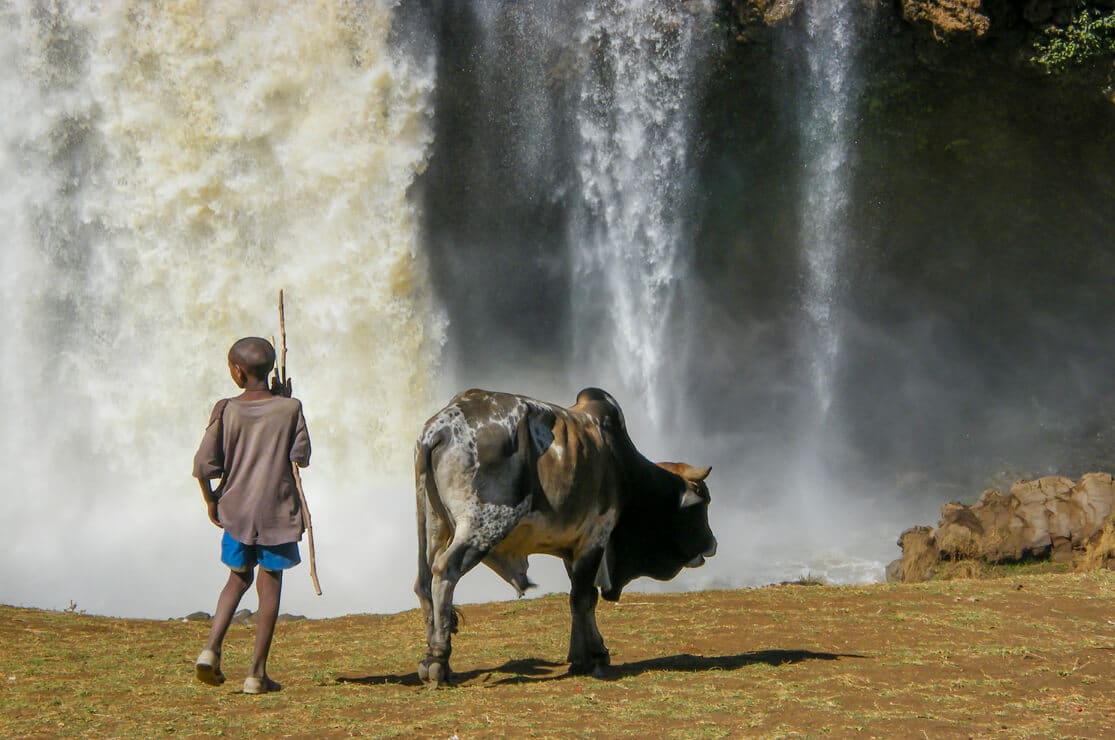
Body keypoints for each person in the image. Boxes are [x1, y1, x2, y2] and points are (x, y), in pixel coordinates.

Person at [192, 336, 311, 694]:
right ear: (271, 370)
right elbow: (301, 457)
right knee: (270, 580)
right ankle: (257, 674)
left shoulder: (225, 409)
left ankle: (211, 649)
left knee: (237, 579)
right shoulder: (290, 408)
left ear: (237, 371)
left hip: (237, 511)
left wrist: (211, 501)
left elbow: (203, 465)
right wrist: (285, 399)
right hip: (277, 510)